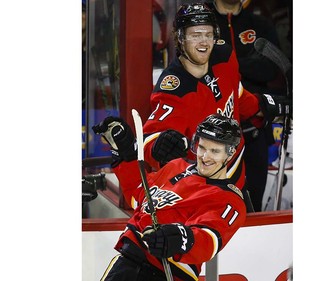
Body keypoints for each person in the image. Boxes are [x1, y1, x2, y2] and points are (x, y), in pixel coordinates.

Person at [140, 2, 289, 210]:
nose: (203, 42)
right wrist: (159, 146)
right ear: (180, 38)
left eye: (208, 34)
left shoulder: (224, 55)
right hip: (204, 193)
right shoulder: (173, 88)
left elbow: (236, 95)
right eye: (195, 34)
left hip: (238, 178)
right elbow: (150, 139)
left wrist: (262, 106)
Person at [92, 114, 247, 281]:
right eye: (202, 148)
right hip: (126, 263)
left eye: (215, 151)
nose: (205, 157)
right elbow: (140, 195)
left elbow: (208, 240)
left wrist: (180, 238)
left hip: (166, 273)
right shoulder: (176, 166)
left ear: (230, 154)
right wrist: (126, 154)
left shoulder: (229, 198)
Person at [207, 0, 287, 211]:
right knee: (214, 206)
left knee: (253, 206)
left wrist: (228, 65)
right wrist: (248, 62)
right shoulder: (203, 23)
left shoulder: (260, 24)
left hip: (253, 129)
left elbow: (271, 69)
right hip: (210, 132)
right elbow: (198, 66)